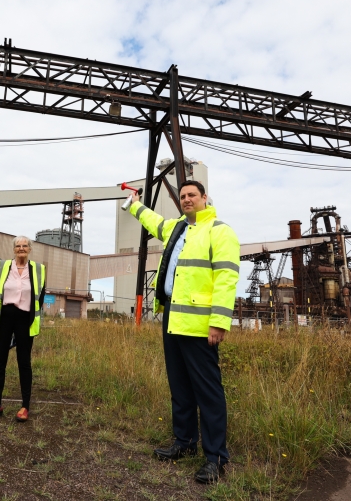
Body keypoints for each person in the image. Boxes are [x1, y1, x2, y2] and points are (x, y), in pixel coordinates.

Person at [126, 179, 240, 484]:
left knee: (208, 392)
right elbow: (155, 221)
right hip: (173, 318)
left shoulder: (219, 231)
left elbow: (227, 278)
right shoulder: (177, 228)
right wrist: (134, 204)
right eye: (184, 196)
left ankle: (215, 458)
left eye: (192, 195)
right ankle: (185, 443)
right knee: (180, 387)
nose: (187, 199)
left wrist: (219, 321)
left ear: (205, 198)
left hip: (201, 324)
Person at [0, 235, 46, 422]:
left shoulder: (39, 270)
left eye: (25, 245)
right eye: (18, 246)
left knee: (24, 363)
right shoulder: (2, 267)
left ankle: (25, 406)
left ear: (29, 249)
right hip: (4, 317)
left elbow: (40, 297)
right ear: (14, 249)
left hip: (25, 318)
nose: (21, 248)